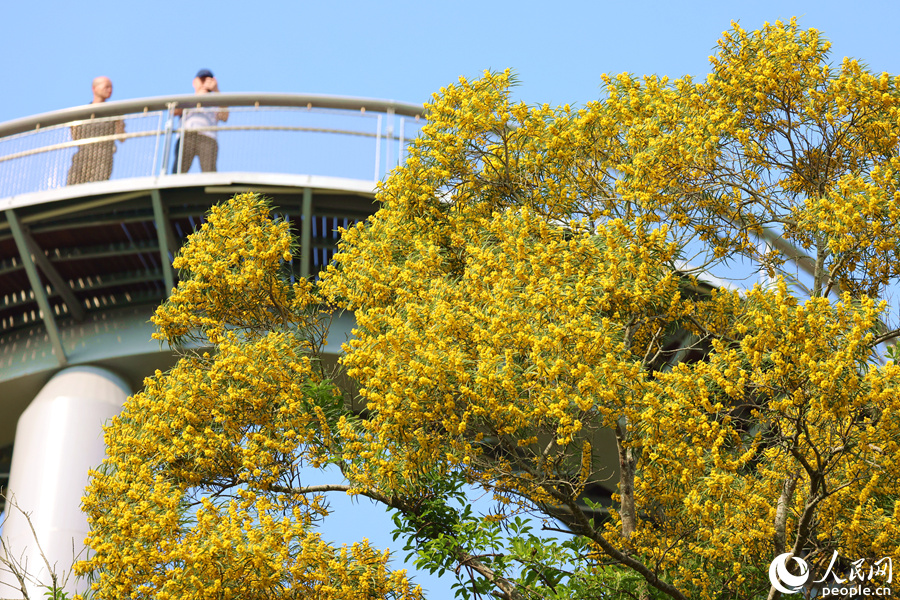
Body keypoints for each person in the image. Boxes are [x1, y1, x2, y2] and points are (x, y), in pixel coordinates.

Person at [67, 76, 125, 185]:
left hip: (103, 158)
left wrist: (119, 123)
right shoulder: (81, 113)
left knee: (97, 187)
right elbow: (75, 137)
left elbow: (122, 138)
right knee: (72, 188)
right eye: (107, 86)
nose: (110, 90)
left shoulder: (114, 113)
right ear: (95, 89)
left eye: (111, 87)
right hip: (82, 157)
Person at [172, 69, 229, 173]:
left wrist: (216, 91)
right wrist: (197, 98)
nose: (204, 83)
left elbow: (225, 116)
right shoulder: (187, 100)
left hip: (208, 138)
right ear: (195, 82)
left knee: (209, 171)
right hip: (187, 136)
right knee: (179, 170)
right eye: (202, 80)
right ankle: (174, 189)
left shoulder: (216, 103)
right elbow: (174, 111)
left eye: (208, 80)